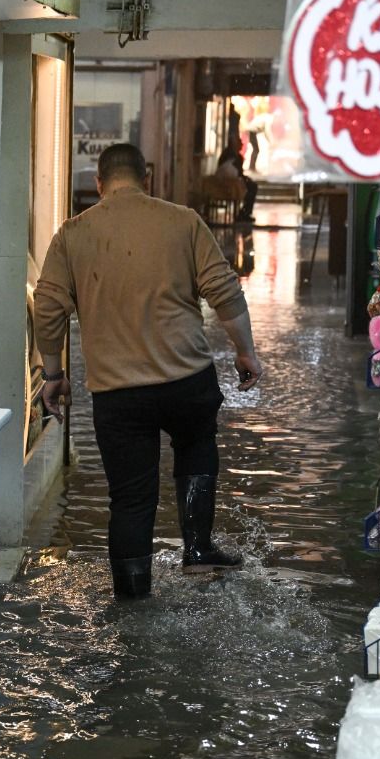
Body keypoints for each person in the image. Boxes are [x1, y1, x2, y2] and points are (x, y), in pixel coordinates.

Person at [34, 143, 264, 600]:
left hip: (118, 393)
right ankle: (198, 549)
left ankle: (133, 596)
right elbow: (225, 291)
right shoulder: (183, 221)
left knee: (131, 497)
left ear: (99, 184)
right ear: (147, 179)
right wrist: (246, 352)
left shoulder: (72, 234)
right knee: (196, 445)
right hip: (186, 378)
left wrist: (54, 373)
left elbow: (47, 307)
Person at [216, 143, 257, 224]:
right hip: (231, 184)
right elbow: (237, 174)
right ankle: (245, 213)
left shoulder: (230, 157)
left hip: (230, 182)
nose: (241, 145)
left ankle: (245, 212)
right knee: (252, 187)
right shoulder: (234, 159)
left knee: (251, 186)